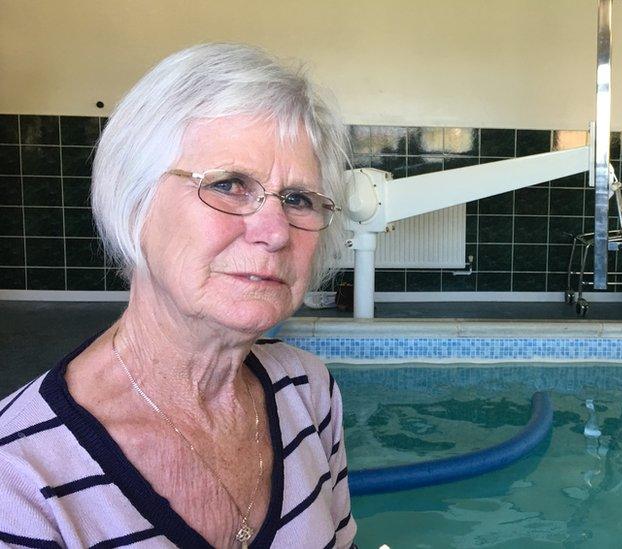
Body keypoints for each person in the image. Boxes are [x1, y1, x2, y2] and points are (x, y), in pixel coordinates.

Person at [0, 43, 356, 548]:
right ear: (135, 202)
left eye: (298, 198)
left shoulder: (307, 391)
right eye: (231, 184)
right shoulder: (19, 478)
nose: (275, 231)